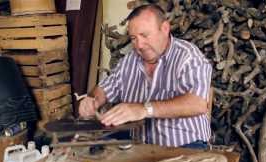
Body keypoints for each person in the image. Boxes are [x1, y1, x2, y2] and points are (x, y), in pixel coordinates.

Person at [79, 4, 212, 149]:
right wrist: (93, 100)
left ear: (165, 29)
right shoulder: (130, 60)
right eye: (133, 38)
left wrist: (144, 109)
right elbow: (105, 88)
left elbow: (197, 104)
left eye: (144, 35)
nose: (139, 45)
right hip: (138, 145)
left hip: (185, 144)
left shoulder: (188, 56)